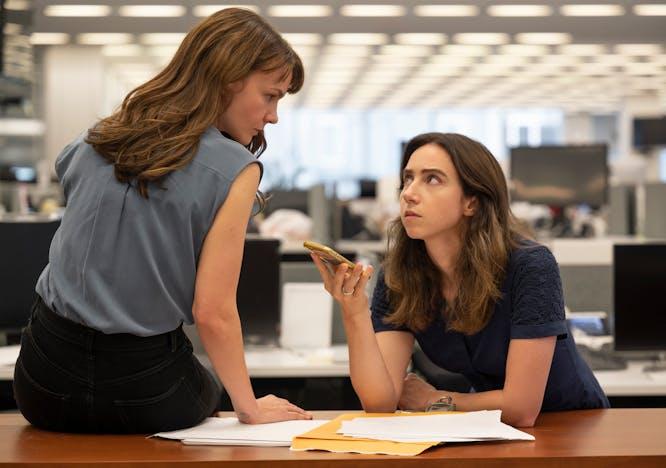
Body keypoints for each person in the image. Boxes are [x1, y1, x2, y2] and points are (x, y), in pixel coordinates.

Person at [13, 8, 312, 433]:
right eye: (271, 95)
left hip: (42, 382)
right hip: (144, 388)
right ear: (229, 78)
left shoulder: (96, 138)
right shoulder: (236, 166)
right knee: (205, 389)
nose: (274, 115)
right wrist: (249, 408)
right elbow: (212, 312)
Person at [311, 132, 609, 427]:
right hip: (487, 425)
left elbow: (521, 409)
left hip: (569, 423)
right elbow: (380, 402)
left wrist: (434, 400)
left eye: (432, 179)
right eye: (408, 178)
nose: (409, 193)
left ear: (472, 203)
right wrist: (355, 312)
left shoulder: (529, 266)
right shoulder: (401, 274)